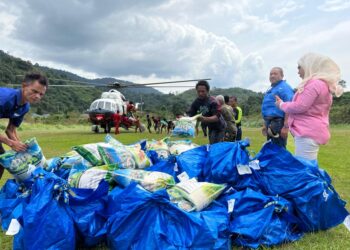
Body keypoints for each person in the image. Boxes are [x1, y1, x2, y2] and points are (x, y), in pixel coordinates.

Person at [275, 53, 343, 160]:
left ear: (308, 66)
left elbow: (300, 106)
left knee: (305, 169)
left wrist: (281, 104)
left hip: (307, 132)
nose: (297, 71)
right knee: (308, 167)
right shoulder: (322, 84)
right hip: (311, 131)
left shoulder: (314, 84)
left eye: (299, 67)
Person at [0, 73, 48, 179]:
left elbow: (10, 130)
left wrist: (23, 147)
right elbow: (11, 140)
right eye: (34, 91)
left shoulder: (25, 106)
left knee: (1, 162)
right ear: (24, 86)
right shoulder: (4, 99)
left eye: (41, 94)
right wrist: (11, 143)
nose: (37, 96)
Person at [261, 67, 294, 148]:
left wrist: (286, 127)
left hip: (279, 123)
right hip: (270, 123)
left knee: (278, 150)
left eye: (275, 74)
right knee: (271, 148)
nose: (272, 76)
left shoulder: (285, 88)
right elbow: (268, 108)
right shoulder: (272, 88)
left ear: (282, 76)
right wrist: (265, 124)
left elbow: (290, 107)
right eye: (271, 74)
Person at [187, 80, 226, 144]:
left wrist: (203, 119)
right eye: (198, 91)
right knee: (212, 144)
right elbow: (191, 115)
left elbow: (216, 117)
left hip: (220, 127)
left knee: (217, 146)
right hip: (211, 127)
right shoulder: (196, 102)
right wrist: (183, 119)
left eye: (203, 91)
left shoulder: (213, 101)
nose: (200, 93)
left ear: (207, 91)